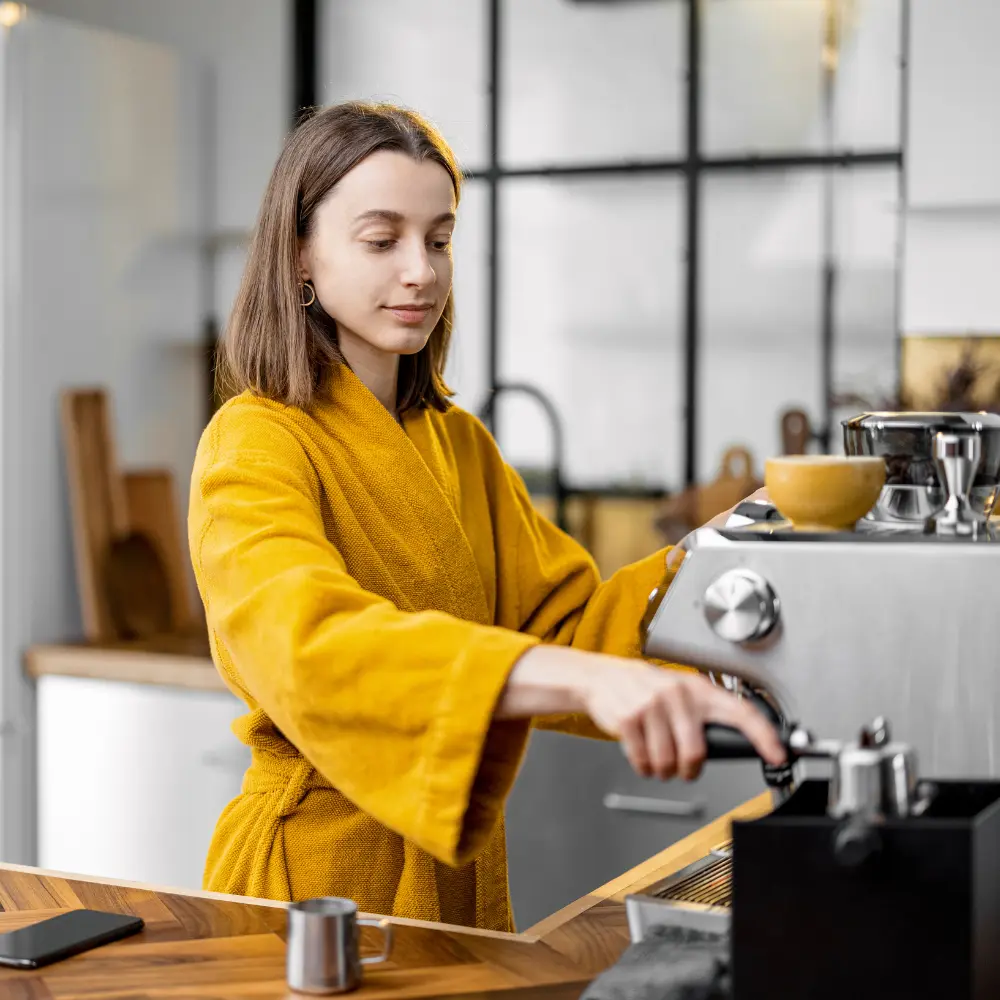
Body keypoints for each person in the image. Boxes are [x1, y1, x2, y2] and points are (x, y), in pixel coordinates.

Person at [188, 101, 784, 932]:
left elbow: (571, 624)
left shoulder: (457, 443)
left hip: (453, 887)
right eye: (381, 239)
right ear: (300, 256)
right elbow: (307, 644)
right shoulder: (252, 442)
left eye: (438, 239)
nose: (421, 271)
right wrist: (578, 680)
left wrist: (742, 546)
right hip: (310, 894)